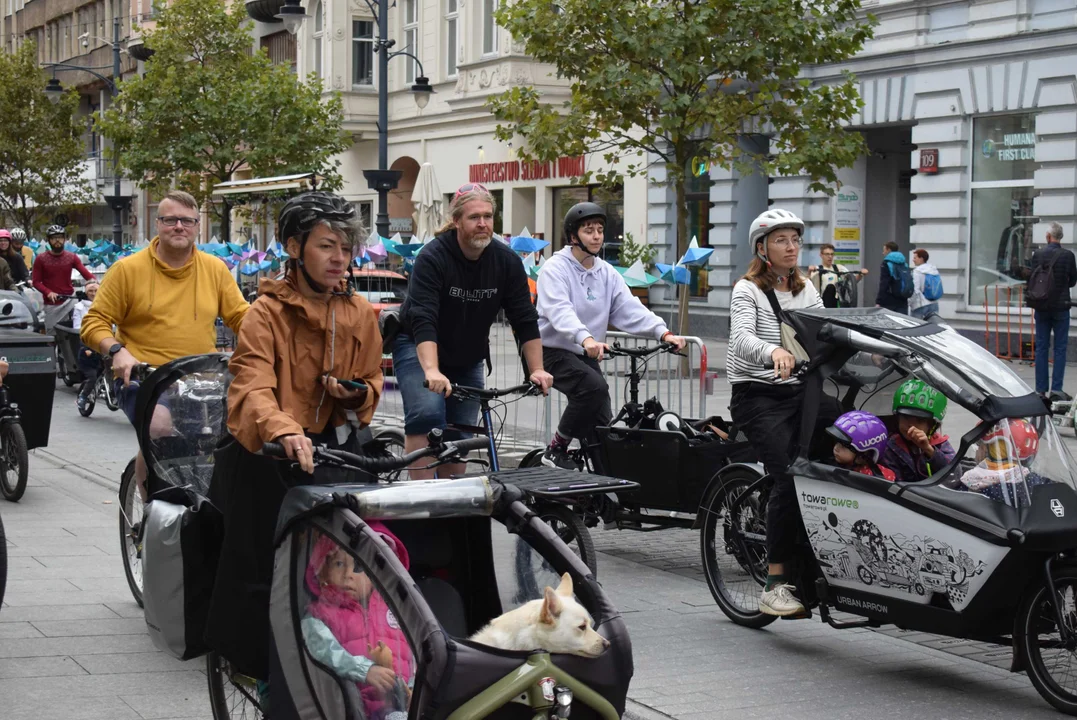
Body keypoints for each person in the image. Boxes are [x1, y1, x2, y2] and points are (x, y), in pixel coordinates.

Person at [206, 190, 384, 684]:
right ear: (293, 247)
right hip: (269, 453)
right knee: (262, 566)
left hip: (333, 448)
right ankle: (253, 669)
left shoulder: (358, 313)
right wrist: (284, 428)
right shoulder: (265, 313)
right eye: (327, 246)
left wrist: (353, 394)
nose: (339, 259)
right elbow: (251, 386)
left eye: (345, 249)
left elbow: (371, 383)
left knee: (351, 564)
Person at [80, 190, 249, 499]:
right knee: (158, 428)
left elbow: (241, 316)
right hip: (147, 378)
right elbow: (94, 322)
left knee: (237, 437)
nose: (178, 227)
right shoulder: (127, 270)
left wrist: (270, 336)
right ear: (157, 225)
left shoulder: (215, 270)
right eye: (170, 220)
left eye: (186, 220)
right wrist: (118, 351)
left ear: (198, 225)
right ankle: (151, 512)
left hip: (204, 379)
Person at [391, 183, 553, 479]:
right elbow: (423, 318)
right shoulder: (433, 257)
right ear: (456, 221)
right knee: (427, 415)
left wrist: (538, 369)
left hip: (467, 354)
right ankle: (421, 505)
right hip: (420, 346)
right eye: (474, 217)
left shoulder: (506, 262)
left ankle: (453, 508)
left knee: (460, 433)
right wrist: (432, 370)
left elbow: (525, 319)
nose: (483, 224)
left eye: (488, 216)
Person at [727, 208, 830, 618]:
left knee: (847, 446)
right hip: (758, 396)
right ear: (762, 247)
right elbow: (740, 339)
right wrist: (773, 351)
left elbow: (825, 329)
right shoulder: (746, 289)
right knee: (788, 475)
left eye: (795, 240)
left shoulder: (807, 289)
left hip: (801, 391)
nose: (792, 247)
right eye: (782, 240)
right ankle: (775, 582)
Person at [536, 202, 686, 469]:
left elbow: (629, 308)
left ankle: (600, 495)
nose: (596, 236)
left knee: (602, 430)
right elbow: (560, 312)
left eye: (600, 230)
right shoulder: (555, 269)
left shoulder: (606, 272)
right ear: (573, 236)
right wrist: (586, 338)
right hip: (551, 351)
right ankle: (556, 449)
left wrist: (662, 332)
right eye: (588, 230)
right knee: (593, 388)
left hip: (585, 354)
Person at [303, 526, 413, 719]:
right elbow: (322, 649)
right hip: (359, 709)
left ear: (377, 573)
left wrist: (413, 689)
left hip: (408, 704)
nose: (348, 574)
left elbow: (415, 655)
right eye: (338, 564)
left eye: (359, 566)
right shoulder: (322, 614)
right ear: (323, 572)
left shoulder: (397, 610)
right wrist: (365, 670)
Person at [1027, 222, 1077, 402]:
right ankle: (1056, 389)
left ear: (1048, 237)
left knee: (1041, 347)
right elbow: (1072, 281)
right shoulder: (1068, 256)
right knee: (1060, 348)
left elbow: (1032, 278)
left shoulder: (1038, 255)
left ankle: (1040, 390)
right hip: (1061, 307)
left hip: (1041, 306)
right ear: (1060, 237)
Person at [881, 378, 956, 482]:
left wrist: (929, 450)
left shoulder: (939, 443)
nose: (911, 425)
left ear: (932, 425)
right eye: (906, 417)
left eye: (919, 420)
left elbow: (955, 475)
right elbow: (894, 483)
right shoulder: (891, 447)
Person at [957, 418, 1042, 505]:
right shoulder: (1035, 482)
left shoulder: (976, 485)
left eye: (979, 444)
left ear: (987, 449)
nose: (977, 449)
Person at [32, 225, 95, 304]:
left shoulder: (72, 257)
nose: (57, 240)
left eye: (60, 237)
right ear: (48, 240)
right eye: (54, 238)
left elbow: (89, 276)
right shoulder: (40, 258)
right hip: (51, 303)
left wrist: (95, 285)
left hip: (70, 299)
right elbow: (36, 282)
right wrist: (48, 292)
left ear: (64, 239)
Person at [826, 411, 896, 481]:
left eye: (844, 446)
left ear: (863, 455)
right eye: (837, 441)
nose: (836, 448)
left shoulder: (881, 479)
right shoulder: (826, 466)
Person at [71, 283, 102, 412]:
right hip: (88, 345)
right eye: (90, 290)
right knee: (92, 377)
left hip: (104, 343)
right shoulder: (79, 307)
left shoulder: (107, 304)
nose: (93, 293)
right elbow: (78, 328)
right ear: (85, 291)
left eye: (96, 290)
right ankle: (82, 397)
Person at [807, 243, 867, 308]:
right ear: (821, 255)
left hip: (836, 302)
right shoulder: (816, 269)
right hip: (821, 303)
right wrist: (809, 272)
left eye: (832, 254)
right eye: (827, 254)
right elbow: (805, 284)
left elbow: (852, 281)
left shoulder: (839, 268)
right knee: (830, 287)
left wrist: (861, 274)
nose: (830, 256)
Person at [874, 241, 910, 314]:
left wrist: (879, 301)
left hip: (889, 300)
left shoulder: (886, 263)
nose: (883, 253)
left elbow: (884, 283)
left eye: (884, 250)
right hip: (903, 299)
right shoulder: (904, 263)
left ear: (889, 250)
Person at [909, 248, 941, 319]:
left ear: (921, 259)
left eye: (915, 258)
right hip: (934, 303)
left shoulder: (917, 271)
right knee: (932, 328)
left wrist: (910, 303)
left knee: (917, 328)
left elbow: (915, 290)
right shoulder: (933, 270)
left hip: (920, 305)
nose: (913, 260)